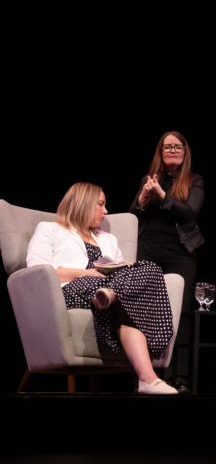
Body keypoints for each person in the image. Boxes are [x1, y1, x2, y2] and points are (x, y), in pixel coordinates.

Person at [27, 182, 179, 394]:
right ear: (83, 203)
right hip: (70, 290)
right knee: (118, 290)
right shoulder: (50, 229)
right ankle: (112, 294)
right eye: (100, 204)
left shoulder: (108, 239)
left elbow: (122, 272)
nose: (105, 211)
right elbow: (37, 269)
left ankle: (147, 379)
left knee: (149, 267)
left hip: (107, 293)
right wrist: (85, 273)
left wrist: (121, 268)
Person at [129, 130, 204, 392]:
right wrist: (142, 198)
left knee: (180, 315)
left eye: (177, 147)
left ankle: (179, 377)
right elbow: (131, 217)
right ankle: (147, 374)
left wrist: (162, 195)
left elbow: (190, 214)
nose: (172, 151)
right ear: (160, 153)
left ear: (185, 152)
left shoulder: (194, 181)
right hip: (148, 248)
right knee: (144, 311)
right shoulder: (149, 179)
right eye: (167, 147)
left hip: (180, 253)